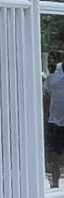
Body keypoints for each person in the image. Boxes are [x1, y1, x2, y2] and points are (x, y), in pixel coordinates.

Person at [45, 58, 64, 189]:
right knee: (53, 156)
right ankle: (55, 185)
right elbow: (46, 95)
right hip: (54, 121)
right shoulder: (54, 73)